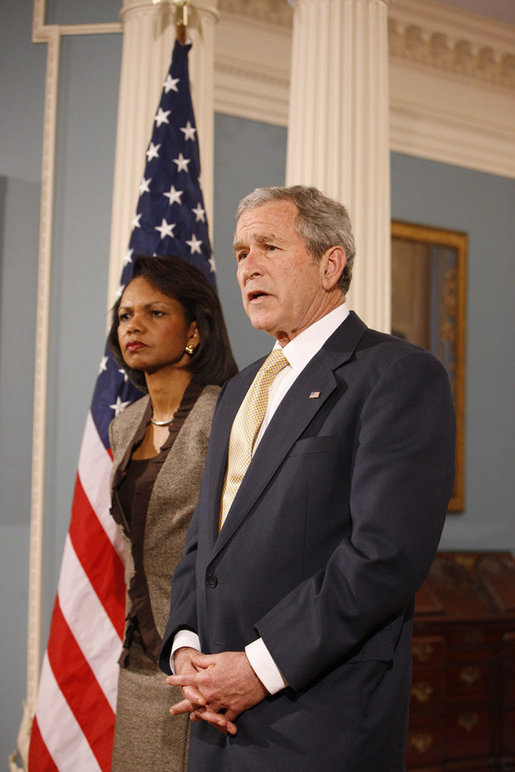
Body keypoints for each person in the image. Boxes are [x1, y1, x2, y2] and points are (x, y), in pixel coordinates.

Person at [160, 186, 456, 771]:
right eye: (242, 251)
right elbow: (206, 537)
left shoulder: (397, 375)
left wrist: (260, 668)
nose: (249, 267)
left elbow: (383, 556)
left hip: (314, 721)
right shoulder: (242, 390)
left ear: (330, 263)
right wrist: (187, 646)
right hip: (212, 717)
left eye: (270, 245)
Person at [107, 254, 237, 771]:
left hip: (204, 657)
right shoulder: (125, 424)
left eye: (155, 312)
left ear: (193, 331)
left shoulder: (225, 416)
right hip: (139, 655)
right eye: (124, 315)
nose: (133, 325)